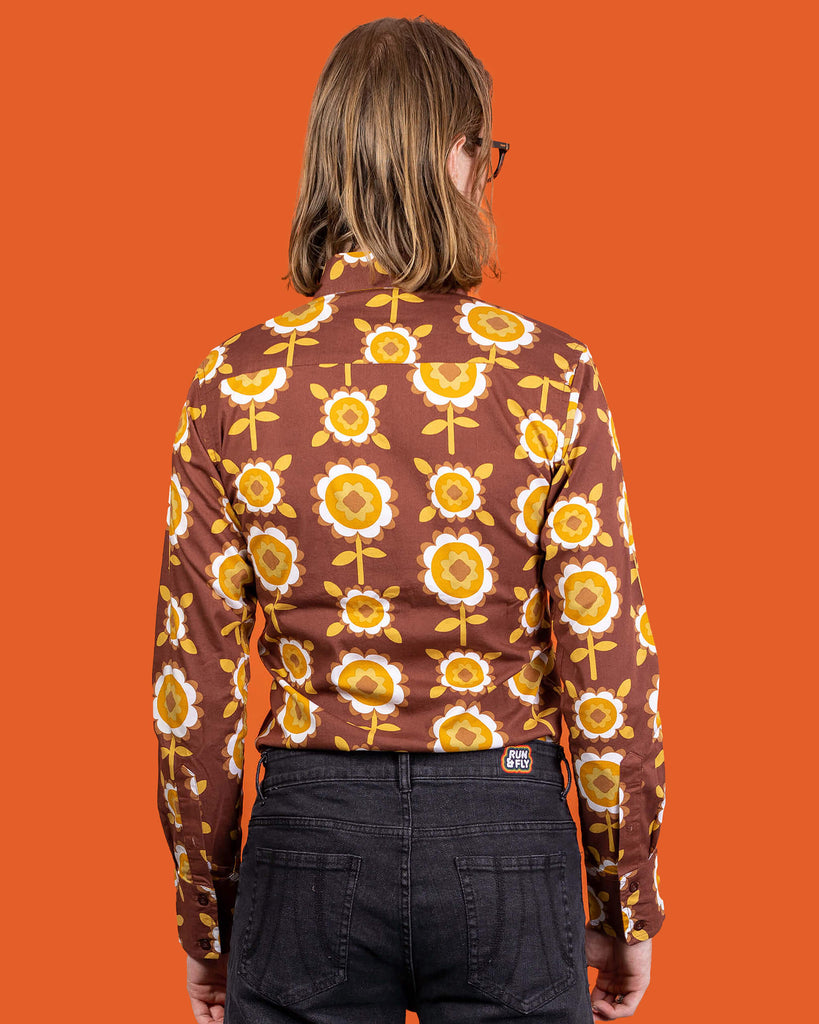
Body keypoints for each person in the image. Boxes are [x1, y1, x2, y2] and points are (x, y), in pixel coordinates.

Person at [151, 15, 666, 1024]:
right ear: (455, 158)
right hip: (508, 826)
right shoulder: (548, 375)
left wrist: (208, 919)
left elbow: (192, 689)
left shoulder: (234, 382)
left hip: (306, 844)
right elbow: (609, 670)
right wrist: (622, 900)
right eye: (489, 152)